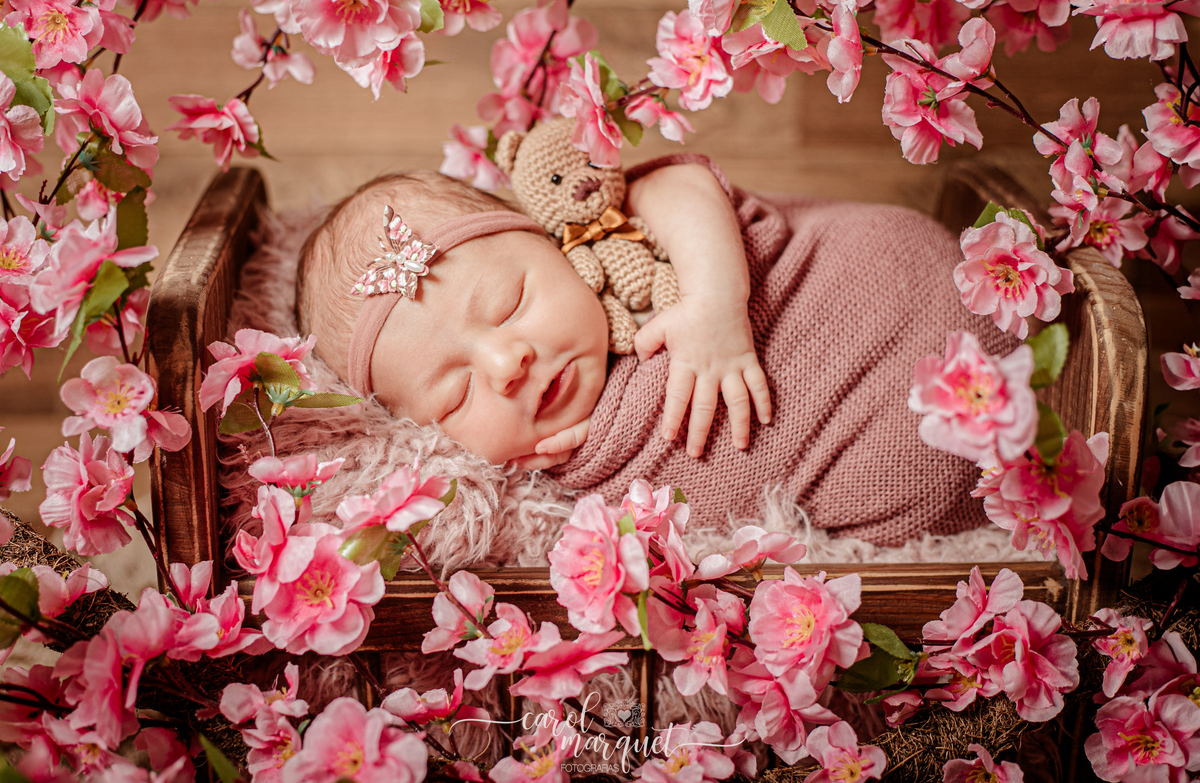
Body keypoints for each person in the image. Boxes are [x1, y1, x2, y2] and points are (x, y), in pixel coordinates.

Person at [297, 155, 1017, 545]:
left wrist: (714, 301)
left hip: (892, 285)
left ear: (553, 240)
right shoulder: (534, 486)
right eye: (456, 396)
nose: (505, 364)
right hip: (901, 451)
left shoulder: (625, 250)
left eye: (510, 303)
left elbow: (675, 183)